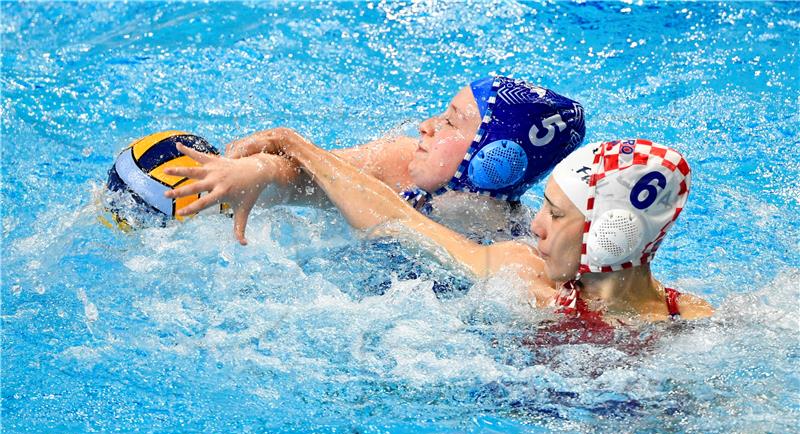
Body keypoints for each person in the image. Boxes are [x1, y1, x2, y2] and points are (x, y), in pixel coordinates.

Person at [165, 133, 713, 322]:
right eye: (542, 207)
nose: (538, 226)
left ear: (610, 237)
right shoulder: (523, 276)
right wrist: (293, 145)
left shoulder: (692, 322)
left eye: (558, 214)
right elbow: (396, 221)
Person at [165, 76, 584, 245]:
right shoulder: (399, 161)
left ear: (494, 159)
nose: (426, 125)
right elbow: (314, 174)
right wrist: (255, 170)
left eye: (451, 123)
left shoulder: (522, 251)